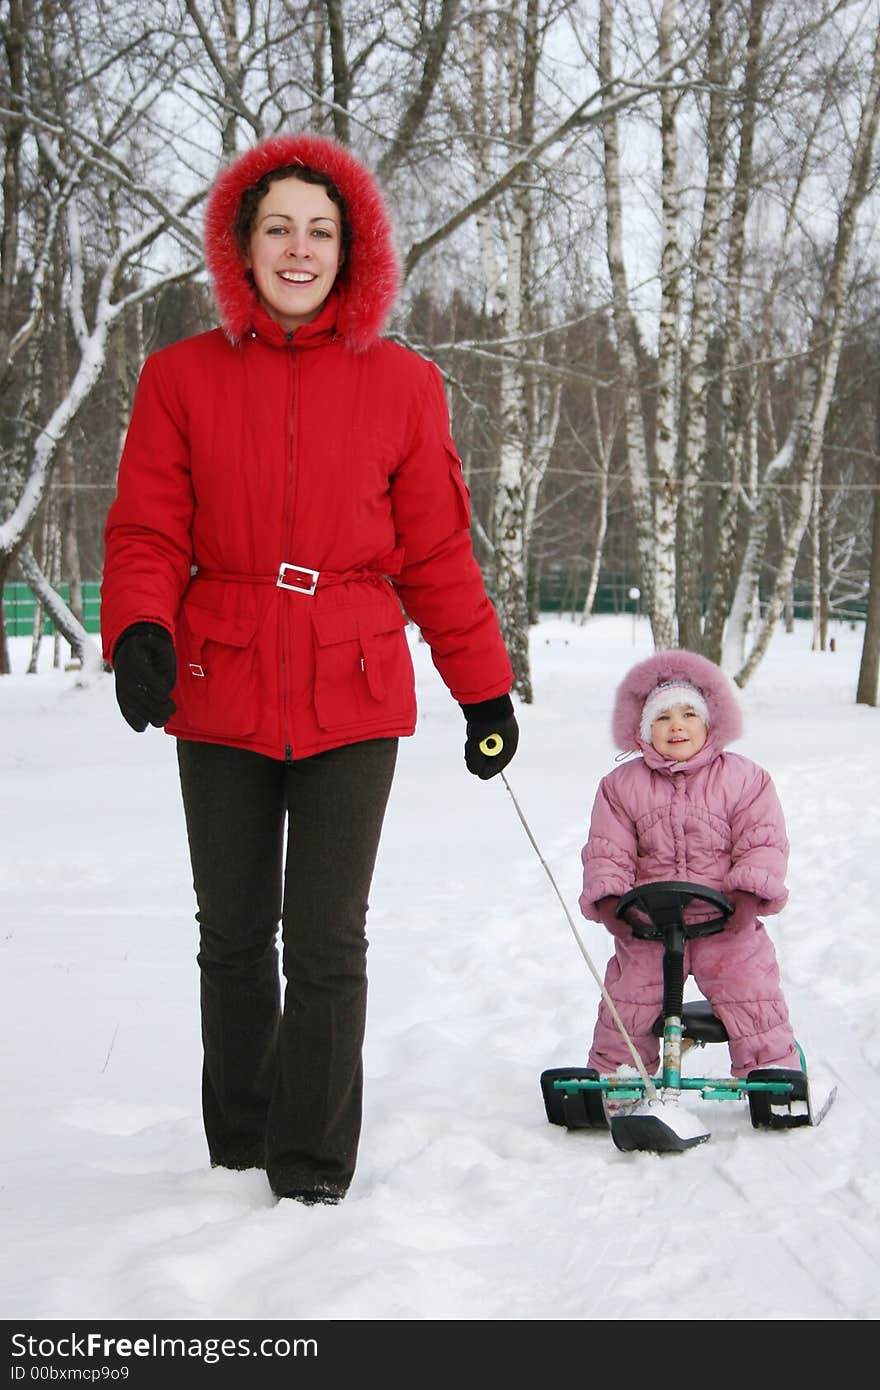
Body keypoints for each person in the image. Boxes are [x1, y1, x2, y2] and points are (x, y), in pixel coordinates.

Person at [100, 133, 518, 1206]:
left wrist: (482, 686)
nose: (299, 248)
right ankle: (237, 1145)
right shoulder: (180, 375)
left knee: (327, 936)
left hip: (354, 682)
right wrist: (139, 629)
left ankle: (312, 1168)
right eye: (278, 226)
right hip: (221, 674)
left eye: (320, 231)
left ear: (354, 250)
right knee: (234, 932)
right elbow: (147, 530)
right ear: (243, 244)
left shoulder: (404, 384)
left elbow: (433, 552)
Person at [579, 648, 802, 1082]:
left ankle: (771, 1072)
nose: (676, 726)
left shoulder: (744, 779)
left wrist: (747, 895)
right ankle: (618, 1077)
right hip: (649, 925)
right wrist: (610, 899)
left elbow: (762, 841)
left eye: (688, 715)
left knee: (751, 993)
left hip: (726, 921)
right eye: (662, 718)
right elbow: (609, 848)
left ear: (710, 722)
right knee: (629, 1000)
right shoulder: (621, 787)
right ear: (644, 729)